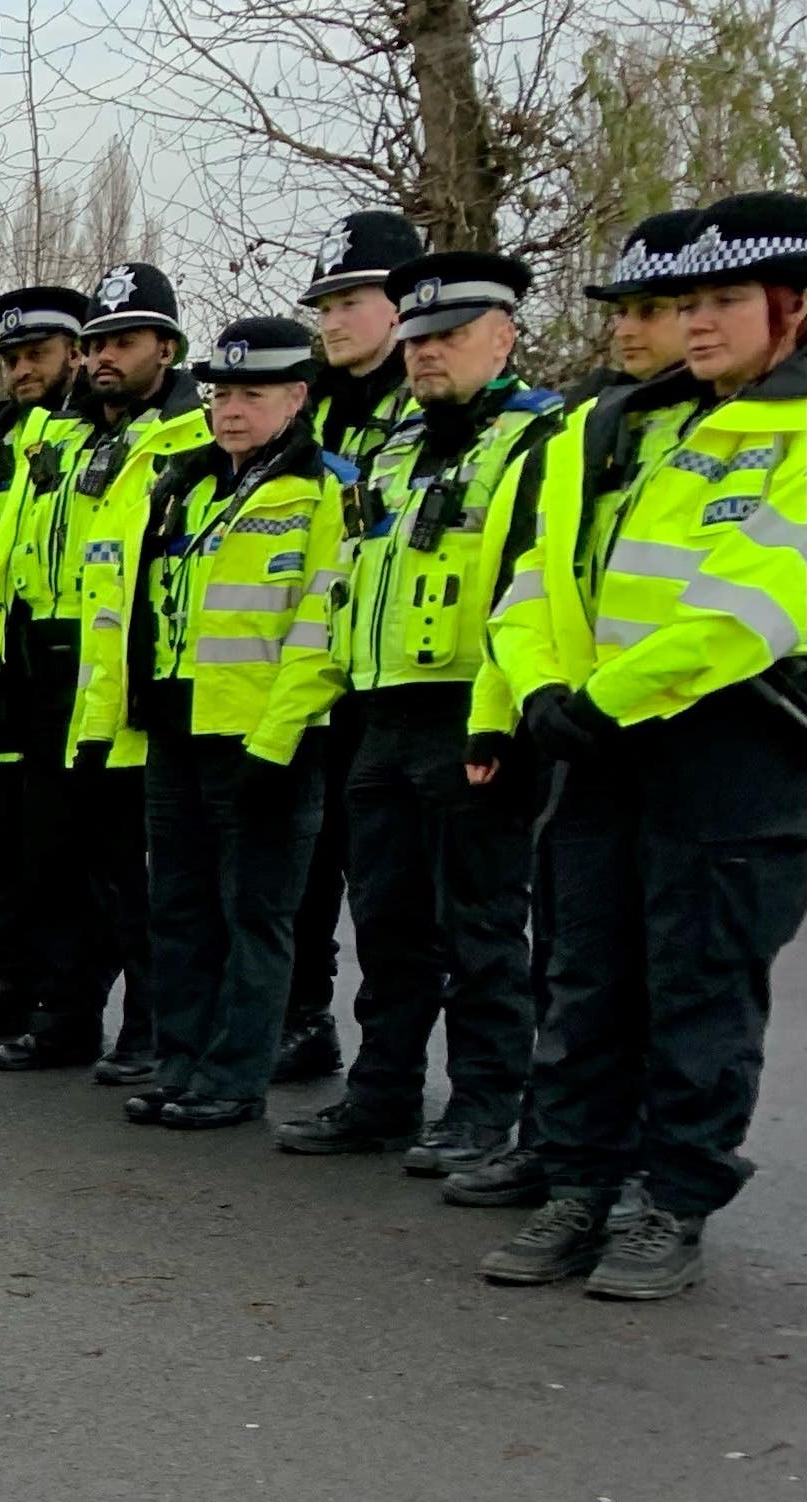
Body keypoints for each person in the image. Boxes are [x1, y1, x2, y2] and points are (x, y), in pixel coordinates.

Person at [465, 190, 807, 1303]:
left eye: (726, 300)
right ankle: (579, 1186)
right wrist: (547, 688)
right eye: (688, 301)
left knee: (698, 989)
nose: (698, 322)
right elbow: (536, 576)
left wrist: (603, 701)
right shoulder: (620, 425)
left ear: (792, 308)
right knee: (586, 979)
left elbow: (746, 607)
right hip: (597, 741)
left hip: (735, 752)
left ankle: (674, 1201)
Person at [272, 254, 557, 1171]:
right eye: (421, 338)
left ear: (504, 336)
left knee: (478, 927)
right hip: (381, 711)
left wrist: (504, 718)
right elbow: (353, 580)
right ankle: (382, 1092)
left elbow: (535, 592)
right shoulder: (397, 447)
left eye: (451, 337)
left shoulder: (540, 437)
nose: (428, 354)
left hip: (475, 711)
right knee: (387, 924)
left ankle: (481, 1107)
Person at [70, 318, 347, 1132]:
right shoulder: (183, 484)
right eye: (222, 392)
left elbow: (320, 629)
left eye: (252, 394)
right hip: (176, 731)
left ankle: (235, 1078)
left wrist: (278, 741)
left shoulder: (325, 489)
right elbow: (137, 612)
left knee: (254, 918)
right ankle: (179, 1063)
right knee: (179, 912)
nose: (230, 409)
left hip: (265, 741)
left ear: (296, 397)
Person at [3, 265, 205, 1081]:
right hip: (45, 668)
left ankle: (151, 1024)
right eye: (95, 344)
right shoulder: (57, 434)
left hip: (123, 671)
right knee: (54, 858)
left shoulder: (189, 435)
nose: (105, 358)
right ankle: (67, 1013)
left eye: (125, 342)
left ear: (167, 346)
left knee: (132, 866)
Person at [278, 209, 430, 1086]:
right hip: (307, 673)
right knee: (303, 870)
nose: (332, 320)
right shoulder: (310, 404)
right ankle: (303, 1019)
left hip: (395, 682)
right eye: (324, 303)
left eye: (351, 300)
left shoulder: (432, 402)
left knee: (393, 894)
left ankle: (394, 1058)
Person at [0, 287, 92, 1044]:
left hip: (73, 674)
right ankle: (5, 975)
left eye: (38, 355)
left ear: (75, 353)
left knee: (62, 846)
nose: (23, 370)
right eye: (12, 359)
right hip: (3, 674)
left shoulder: (91, 433)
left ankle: (63, 995)